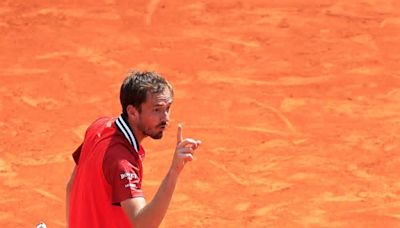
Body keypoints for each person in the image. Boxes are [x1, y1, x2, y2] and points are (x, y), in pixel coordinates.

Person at [66, 70, 201, 228]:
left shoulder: (99, 127)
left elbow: (71, 187)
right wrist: (174, 171)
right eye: (157, 109)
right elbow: (143, 224)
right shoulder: (121, 162)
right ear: (132, 112)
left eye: (168, 108)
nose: (165, 118)